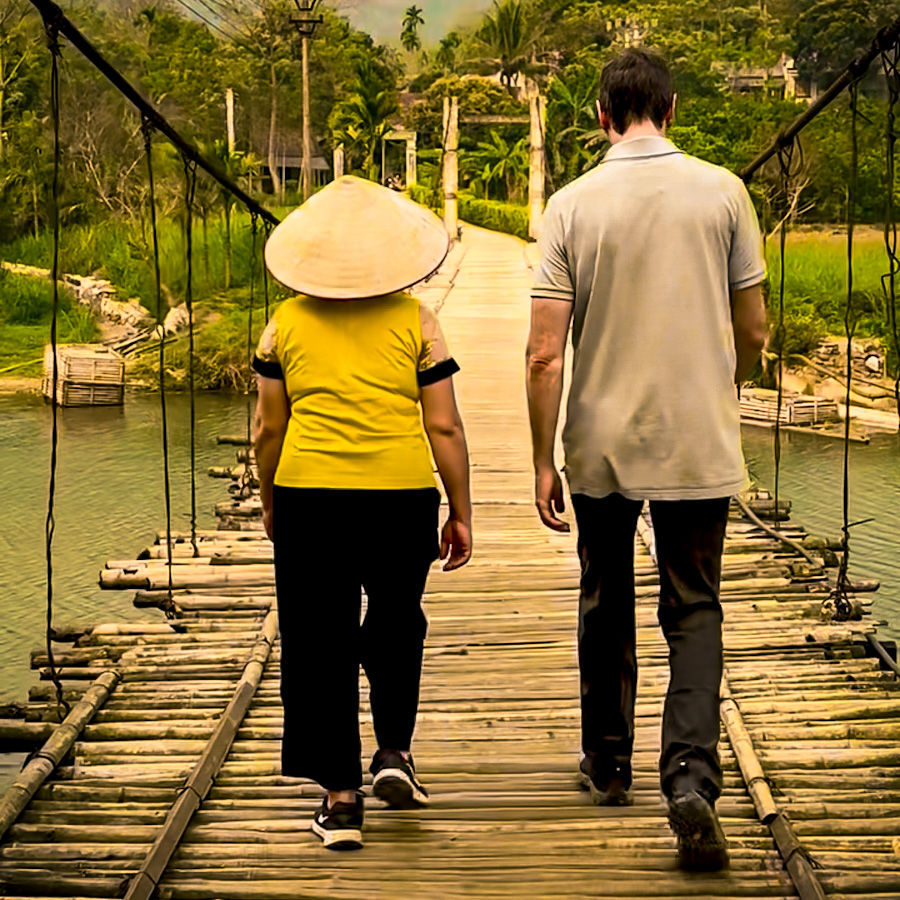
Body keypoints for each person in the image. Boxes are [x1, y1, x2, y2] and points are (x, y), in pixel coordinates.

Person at [525, 48, 767, 872]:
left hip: (600, 440)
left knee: (604, 595)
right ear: (671, 109)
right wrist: (726, 381)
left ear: (601, 115)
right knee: (694, 605)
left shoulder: (569, 205)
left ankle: (608, 760)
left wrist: (540, 462)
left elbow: (543, 353)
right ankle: (691, 776)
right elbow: (756, 331)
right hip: (699, 437)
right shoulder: (725, 192)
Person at [253, 175, 472, 852]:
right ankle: (395, 755)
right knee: (397, 623)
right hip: (401, 499)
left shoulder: (283, 323)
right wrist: (460, 510)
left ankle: (341, 800)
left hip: (307, 498)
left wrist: (268, 498)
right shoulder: (417, 320)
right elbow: (444, 429)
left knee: (318, 642)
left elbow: (267, 427)